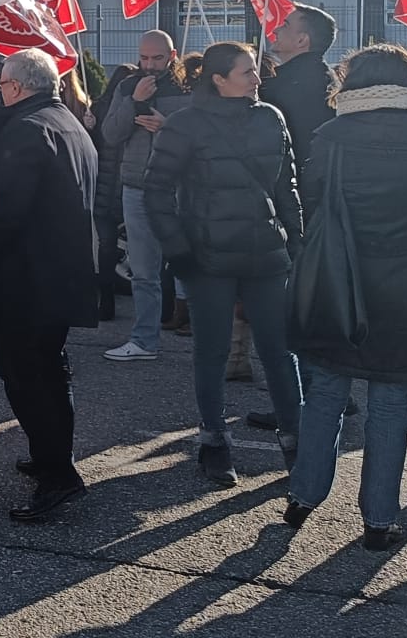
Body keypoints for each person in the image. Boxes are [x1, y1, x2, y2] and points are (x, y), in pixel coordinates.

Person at [284, 45, 407, 551]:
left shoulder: (330, 136)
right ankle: (380, 519)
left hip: (338, 275)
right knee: (391, 402)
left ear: (353, 84)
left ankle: (303, 496)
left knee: (325, 394)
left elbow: (313, 201)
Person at [142, 40, 304, 486]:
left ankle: (294, 439)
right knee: (211, 353)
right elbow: (155, 190)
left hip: (267, 254)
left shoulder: (271, 117)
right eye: (247, 71)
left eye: (255, 70)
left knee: (279, 350)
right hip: (207, 258)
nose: (257, 77)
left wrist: (297, 243)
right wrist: (177, 249)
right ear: (218, 79)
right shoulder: (185, 125)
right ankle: (214, 440)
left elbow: (287, 186)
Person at [0, 49, 98, 521]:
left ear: (20, 86)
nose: (1, 92)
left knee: (25, 373)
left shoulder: (26, 129)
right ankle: (52, 456)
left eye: (4, 85)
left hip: (29, 274)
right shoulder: (66, 120)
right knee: (49, 368)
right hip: (61, 269)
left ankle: (58, 474)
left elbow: (7, 210)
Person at [100, 31, 195, 362]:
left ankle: (207, 339)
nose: (150, 65)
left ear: (173, 55)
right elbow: (110, 133)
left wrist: (167, 127)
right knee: (143, 271)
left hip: (183, 187)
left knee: (192, 266)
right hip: (138, 186)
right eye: (144, 58)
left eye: (157, 58)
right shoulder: (127, 86)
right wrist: (132, 100)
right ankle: (144, 340)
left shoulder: (190, 88)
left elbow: (207, 139)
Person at [264, 6, 338, 175]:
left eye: (285, 25)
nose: (275, 30)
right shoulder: (325, 78)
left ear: (301, 40)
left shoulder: (288, 84)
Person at [90, 62, 137, 321]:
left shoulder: (100, 108)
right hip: (122, 187)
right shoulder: (133, 108)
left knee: (107, 250)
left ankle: (106, 304)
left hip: (105, 190)